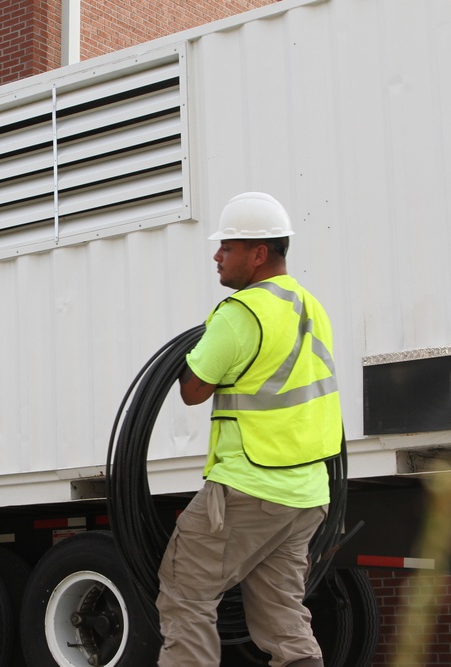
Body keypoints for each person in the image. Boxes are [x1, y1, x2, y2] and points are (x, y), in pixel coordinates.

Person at [156, 192, 342, 667]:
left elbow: (193, 389)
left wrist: (200, 348)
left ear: (258, 254)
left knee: (185, 593)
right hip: (306, 494)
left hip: (249, 486)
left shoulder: (241, 313)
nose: (217, 256)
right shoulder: (309, 307)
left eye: (227, 247)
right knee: (283, 617)